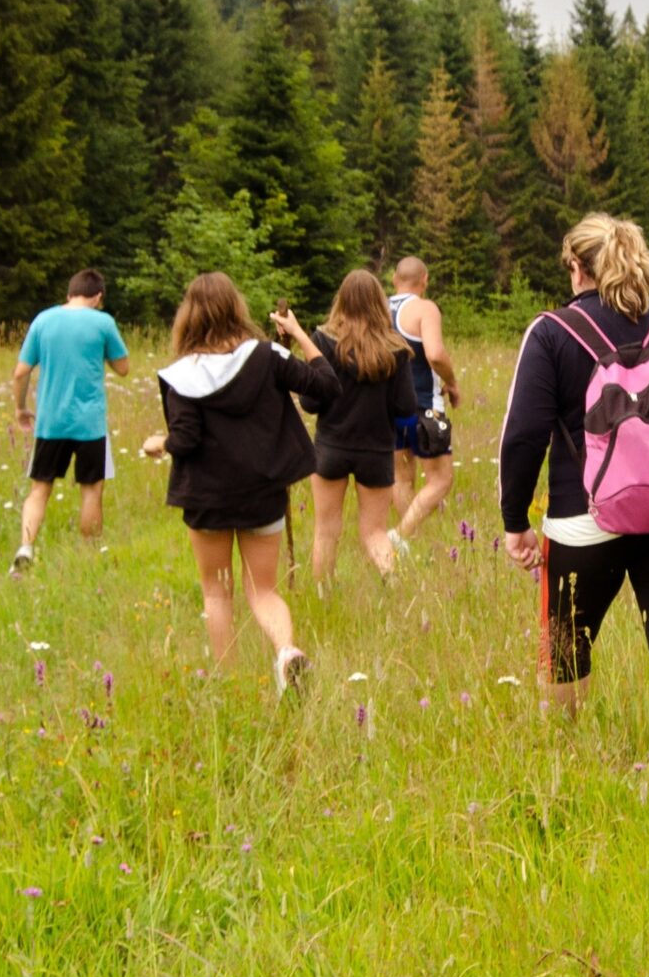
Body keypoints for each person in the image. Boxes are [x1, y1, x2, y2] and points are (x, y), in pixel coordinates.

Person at [499, 213, 649, 799]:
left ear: (576, 267)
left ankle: (566, 764)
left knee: (566, 646)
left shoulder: (551, 332)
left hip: (584, 519)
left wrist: (514, 523)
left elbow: (523, 434)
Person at [139, 272, 340, 694]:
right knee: (263, 589)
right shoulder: (268, 356)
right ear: (237, 309)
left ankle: (228, 684)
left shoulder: (181, 375)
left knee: (217, 592)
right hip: (262, 493)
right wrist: (300, 334)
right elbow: (325, 386)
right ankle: (286, 652)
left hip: (207, 499)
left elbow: (187, 439)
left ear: (187, 317)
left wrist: (160, 443)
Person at [290, 268, 418, 579]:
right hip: (375, 450)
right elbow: (405, 407)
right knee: (374, 532)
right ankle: (393, 582)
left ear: (341, 301)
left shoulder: (323, 340)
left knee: (326, 531)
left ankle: (323, 596)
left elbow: (310, 402)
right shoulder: (395, 348)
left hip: (330, 447)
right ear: (379, 303)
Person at [8, 269, 131, 572]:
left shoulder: (43, 320)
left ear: (69, 293)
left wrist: (21, 408)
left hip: (50, 421)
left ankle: (25, 547)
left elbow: (20, 372)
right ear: (98, 296)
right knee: (91, 489)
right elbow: (124, 367)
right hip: (90, 424)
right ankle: (88, 555)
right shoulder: (103, 323)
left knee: (40, 489)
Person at [387, 257, 462, 550]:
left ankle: (408, 544)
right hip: (423, 407)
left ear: (395, 278)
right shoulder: (424, 308)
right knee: (441, 480)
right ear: (425, 280)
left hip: (389, 408)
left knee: (401, 477)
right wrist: (452, 383)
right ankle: (400, 536)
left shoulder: (378, 308)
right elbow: (435, 354)